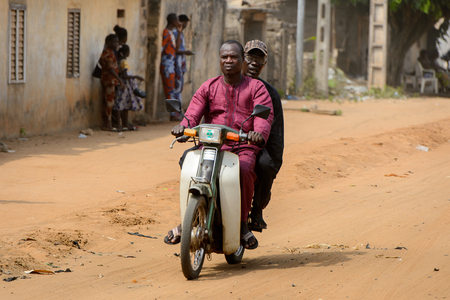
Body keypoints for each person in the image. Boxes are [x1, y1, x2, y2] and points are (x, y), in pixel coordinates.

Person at [168, 40, 273, 249]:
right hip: (210, 145)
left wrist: (257, 134)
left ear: (241, 60)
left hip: (242, 146)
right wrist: (183, 127)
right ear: (219, 59)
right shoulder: (209, 86)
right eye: (224, 57)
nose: (228, 61)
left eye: (233, 57)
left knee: (243, 170)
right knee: (187, 163)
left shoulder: (256, 87)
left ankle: (243, 224)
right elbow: (193, 112)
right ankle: (187, 219)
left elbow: (264, 118)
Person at [242, 40, 284, 231]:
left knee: (265, 164)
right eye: (250, 57)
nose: (253, 63)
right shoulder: (226, 83)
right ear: (242, 59)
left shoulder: (270, 94)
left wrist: (273, 168)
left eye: (259, 59)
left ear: (264, 64)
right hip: (225, 142)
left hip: (255, 145)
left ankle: (257, 208)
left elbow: (276, 134)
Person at [114, 45, 145, 130]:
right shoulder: (123, 62)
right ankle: (119, 125)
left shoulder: (122, 61)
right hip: (124, 86)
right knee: (120, 105)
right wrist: (136, 76)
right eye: (128, 51)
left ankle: (124, 124)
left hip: (126, 86)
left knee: (125, 106)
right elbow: (124, 75)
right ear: (125, 53)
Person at [160, 13, 183, 121]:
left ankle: (174, 114)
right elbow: (162, 48)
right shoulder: (165, 33)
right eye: (177, 20)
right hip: (167, 65)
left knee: (172, 89)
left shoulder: (172, 34)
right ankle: (173, 115)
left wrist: (179, 33)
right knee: (169, 90)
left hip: (171, 65)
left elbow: (176, 48)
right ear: (173, 21)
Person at [100, 34, 124, 131]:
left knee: (108, 101)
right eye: (114, 42)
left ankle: (107, 123)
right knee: (109, 102)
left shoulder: (111, 52)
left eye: (117, 42)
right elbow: (110, 69)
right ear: (109, 42)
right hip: (109, 80)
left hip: (110, 80)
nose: (116, 44)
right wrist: (119, 79)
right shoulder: (108, 53)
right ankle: (107, 124)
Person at [172, 14, 195, 118]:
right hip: (176, 63)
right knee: (176, 88)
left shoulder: (180, 34)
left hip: (181, 63)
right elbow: (175, 50)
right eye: (183, 22)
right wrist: (186, 52)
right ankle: (175, 113)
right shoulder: (175, 33)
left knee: (179, 88)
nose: (185, 24)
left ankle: (177, 112)